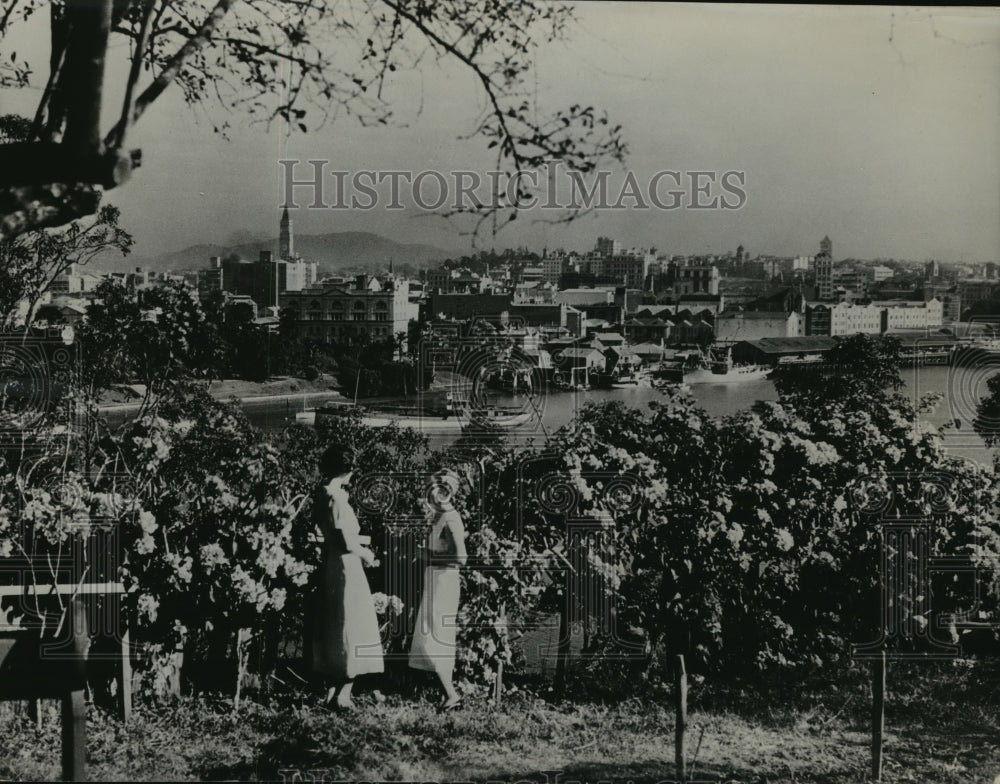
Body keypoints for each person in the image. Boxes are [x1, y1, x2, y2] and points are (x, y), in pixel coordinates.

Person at [310, 443, 383, 710]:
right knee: (353, 624)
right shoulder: (337, 497)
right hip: (346, 566)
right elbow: (346, 542)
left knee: (335, 623)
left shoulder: (322, 494)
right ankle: (343, 695)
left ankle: (332, 692)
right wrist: (368, 555)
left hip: (331, 564)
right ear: (347, 470)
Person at [409, 468, 468, 711]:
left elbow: (461, 557)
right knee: (428, 633)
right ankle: (441, 692)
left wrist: (427, 555)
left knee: (436, 635)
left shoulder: (451, 518)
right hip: (435, 580)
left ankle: (451, 694)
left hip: (444, 582)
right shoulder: (439, 516)